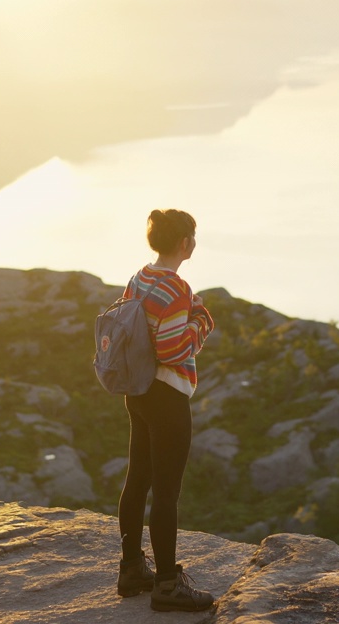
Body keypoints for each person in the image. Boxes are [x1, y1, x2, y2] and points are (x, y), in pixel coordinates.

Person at [115, 208, 216, 612]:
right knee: (167, 492)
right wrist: (201, 320)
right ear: (184, 244)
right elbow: (173, 350)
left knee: (137, 478)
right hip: (167, 397)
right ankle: (168, 586)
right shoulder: (177, 289)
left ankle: (132, 569)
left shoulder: (139, 277)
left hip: (137, 391)